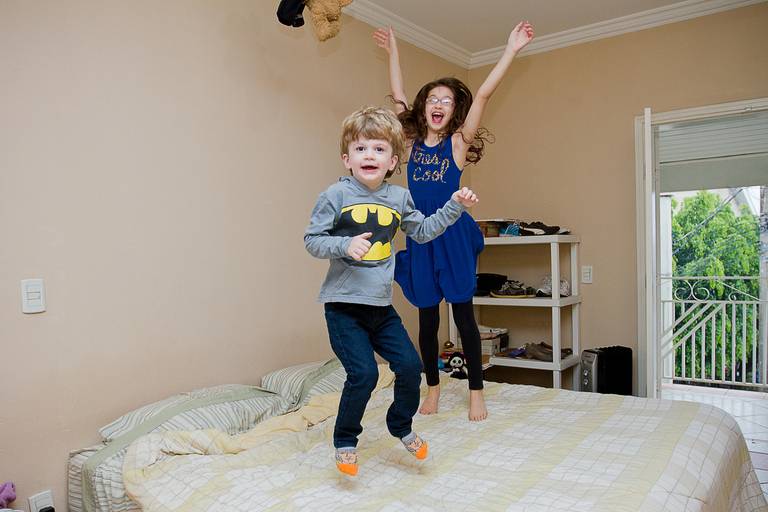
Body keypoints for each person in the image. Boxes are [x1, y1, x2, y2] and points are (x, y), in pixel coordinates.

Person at [304, 106, 479, 476]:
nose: (369, 155)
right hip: (344, 308)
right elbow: (313, 240)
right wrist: (344, 245)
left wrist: (455, 206)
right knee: (365, 374)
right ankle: (345, 440)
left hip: (381, 309)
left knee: (411, 367)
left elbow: (424, 231)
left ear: (393, 161)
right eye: (361, 148)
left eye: (379, 149)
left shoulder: (399, 198)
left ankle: (400, 424)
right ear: (347, 158)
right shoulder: (335, 195)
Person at [373, 21, 534, 421]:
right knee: (427, 319)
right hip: (421, 236)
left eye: (446, 100)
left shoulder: (458, 143)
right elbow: (398, 95)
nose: (438, 104)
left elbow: (484, 93)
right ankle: (433, 388)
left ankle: (476, 391)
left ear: (452, 110)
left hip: (453, 235)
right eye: (432, 98)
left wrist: (510, 50)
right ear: (424, 107)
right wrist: (393, 51)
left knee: (463, 316)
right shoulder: (411, 142)